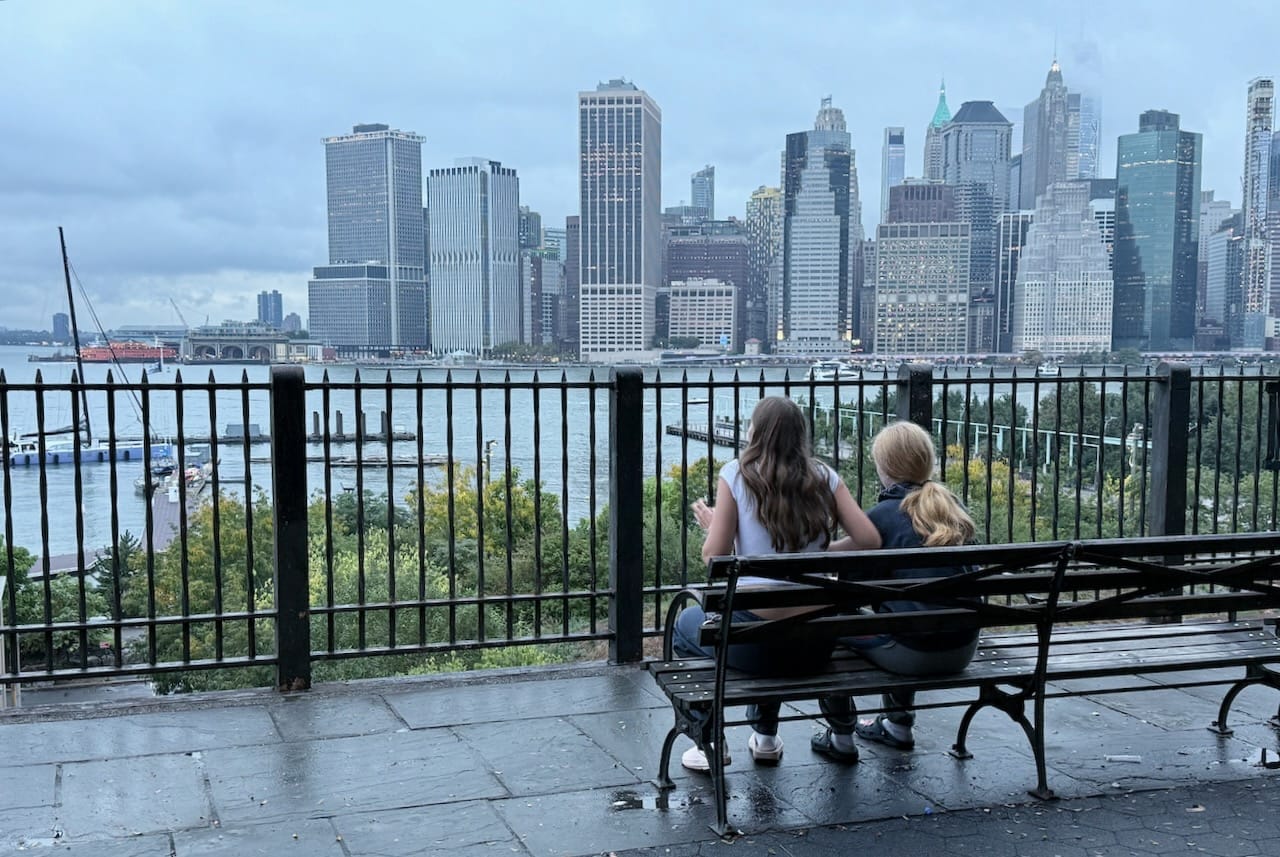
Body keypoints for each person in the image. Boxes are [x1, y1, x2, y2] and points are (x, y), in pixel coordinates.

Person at [675, 396, 881, 771]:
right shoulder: (826, 478)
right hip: (817, 645)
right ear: (799, 436)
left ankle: (711, 742)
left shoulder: (736, 474)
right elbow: (869, 539)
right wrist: (823, 553)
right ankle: (766, 737)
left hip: (755, 648)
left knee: (686, 625)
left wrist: (713, 525)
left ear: (755, 432)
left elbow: (714, 557)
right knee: (771, 623)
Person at [836, 420, 979, 754]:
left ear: (884, 468)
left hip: (915, 655)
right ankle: (897, 724)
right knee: (910, 614)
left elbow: (847, 592)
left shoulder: (883, 516)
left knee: (833, 624)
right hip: (962, 649)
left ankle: (840, 734)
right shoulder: (951, 508)